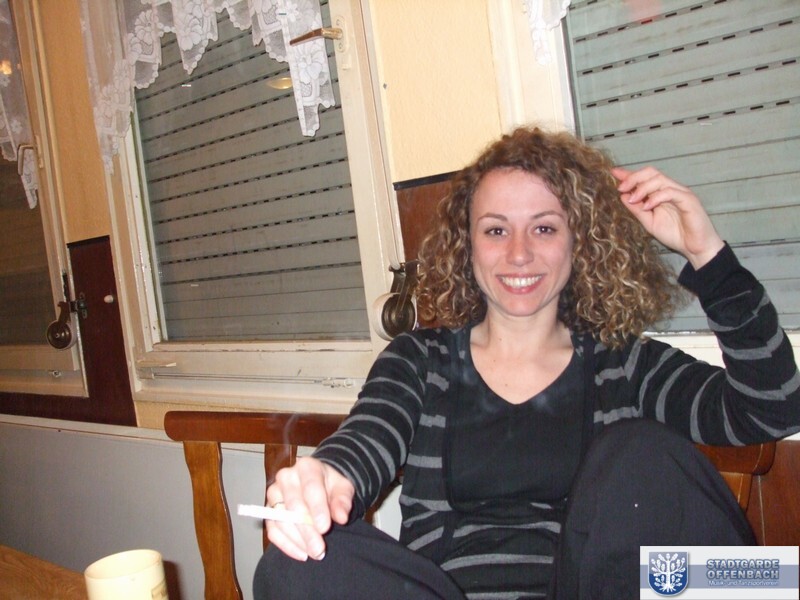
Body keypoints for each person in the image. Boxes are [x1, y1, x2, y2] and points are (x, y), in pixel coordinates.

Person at [253, 127, 800, 599]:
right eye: (496, 230)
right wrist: (328, 475)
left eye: (544, 227)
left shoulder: (625, 365)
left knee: (646, 455)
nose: (518, 253)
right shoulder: (419, 361)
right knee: (294, 564)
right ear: (468, 245)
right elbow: (366, 439)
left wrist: (707, 255)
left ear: (578, 243)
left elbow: (772, 407)